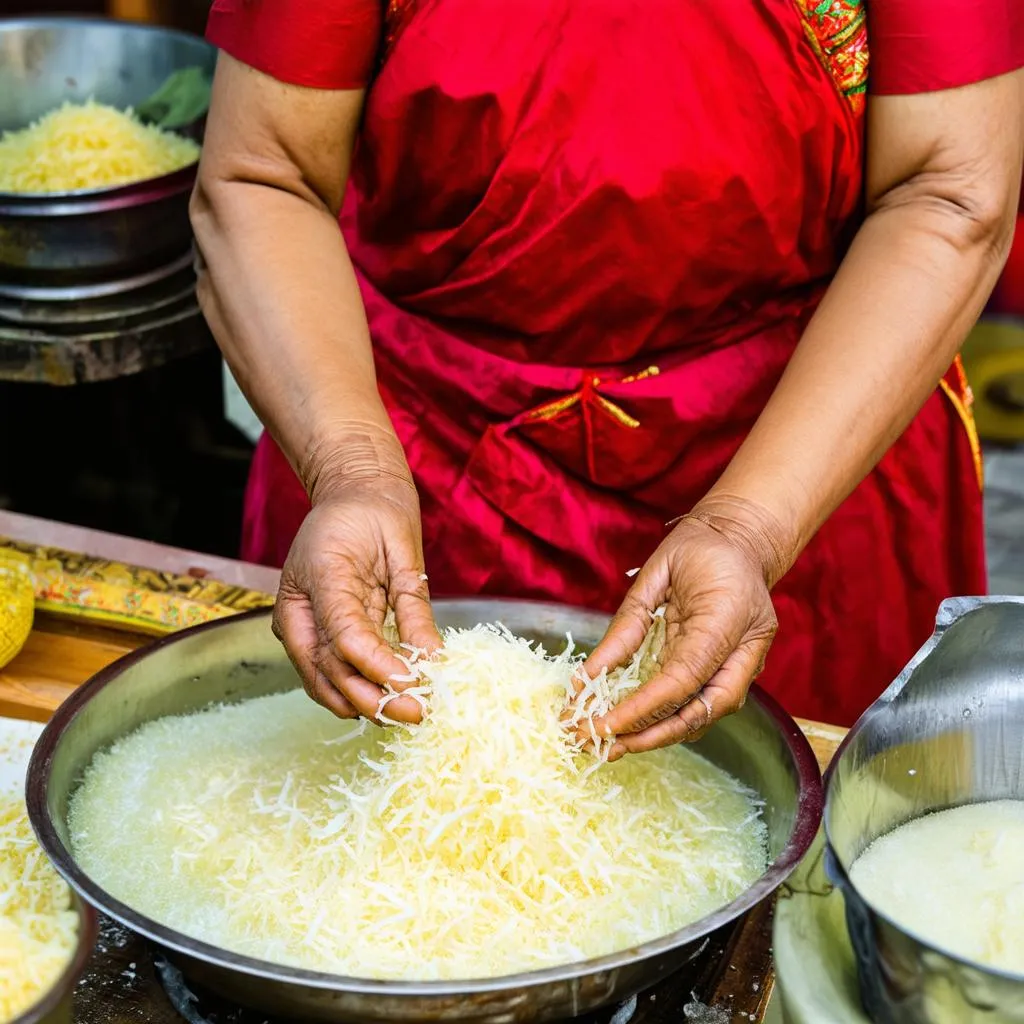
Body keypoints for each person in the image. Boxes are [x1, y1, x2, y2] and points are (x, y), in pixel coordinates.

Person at [193, 0, 1024, 754]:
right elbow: (263, 175)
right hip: (409, 462)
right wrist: (352, 469)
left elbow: (947, 193)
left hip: (805, 461)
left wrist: (748, 528)